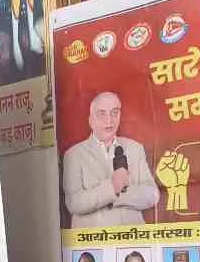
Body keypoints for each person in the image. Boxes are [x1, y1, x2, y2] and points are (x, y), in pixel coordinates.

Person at [62, 92, 160, 228]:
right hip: (93, 243)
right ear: (90, 120)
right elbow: (74, 203)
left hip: (133, 240)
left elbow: (152, 195)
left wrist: (117, 194)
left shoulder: (134, 148)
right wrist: (111, 187)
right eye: (102, 114)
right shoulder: (74, 155)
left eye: (114, 113)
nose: (109, 120)